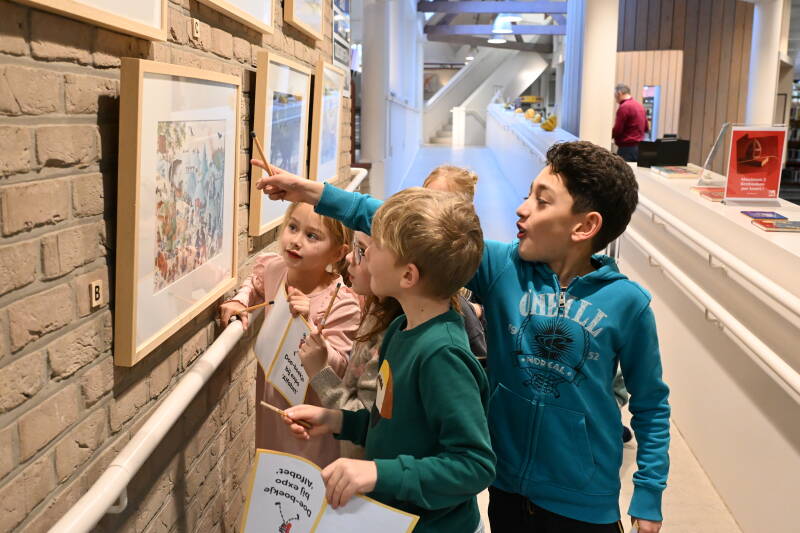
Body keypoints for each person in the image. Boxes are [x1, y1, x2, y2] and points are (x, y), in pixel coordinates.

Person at [253, 140, 671, 533]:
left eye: (542, 201)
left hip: (582, 500)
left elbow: (650, 403)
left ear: (585, 226)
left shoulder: (627, 303)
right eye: (528, 194)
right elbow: (404, 229)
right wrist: (310, 193)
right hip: (508, 485)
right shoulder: (504, 269)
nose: (522, 208)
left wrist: (649, 491)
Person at [276, 186, 496, 533]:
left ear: (408, 276)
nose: (365, 256)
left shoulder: (443, 356)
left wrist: (378, 472)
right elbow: (386, 419)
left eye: (374, 247)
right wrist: (337, 420)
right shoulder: (399, 329)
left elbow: (474, 465)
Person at [218, 202, 361, 467]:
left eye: (312, 236)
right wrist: (241, 300)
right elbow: (255, 284)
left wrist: (309, 326)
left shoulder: (341, 303)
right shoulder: (275, 269)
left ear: (337, 253)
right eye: (293, 227)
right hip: (273, 404)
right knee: (271, 465)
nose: (296, 241)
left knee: (306, 473)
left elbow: (340, 368)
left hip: (312, 417)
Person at [299, 230, 403, 458]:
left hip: (367, 467)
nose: (349, 258)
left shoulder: (393, 337)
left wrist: (320, 371)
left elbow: (369, 421)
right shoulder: (377, 306)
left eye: (361, 251)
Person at [422, 165, 488, 365]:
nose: (432, 211)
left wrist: (478, 311)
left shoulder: (480, 259)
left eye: (442, 204)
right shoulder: (416, 254)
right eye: (425, 200)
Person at [613, 83, 649, 162]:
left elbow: (618, 129)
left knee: (623, 169)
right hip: (640, 149)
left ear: (619, 93)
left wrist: (609, 135)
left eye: (615, 96)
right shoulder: (640, 106)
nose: (616, 100)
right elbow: (646, 128)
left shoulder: (624, 107)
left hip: (626, 149)